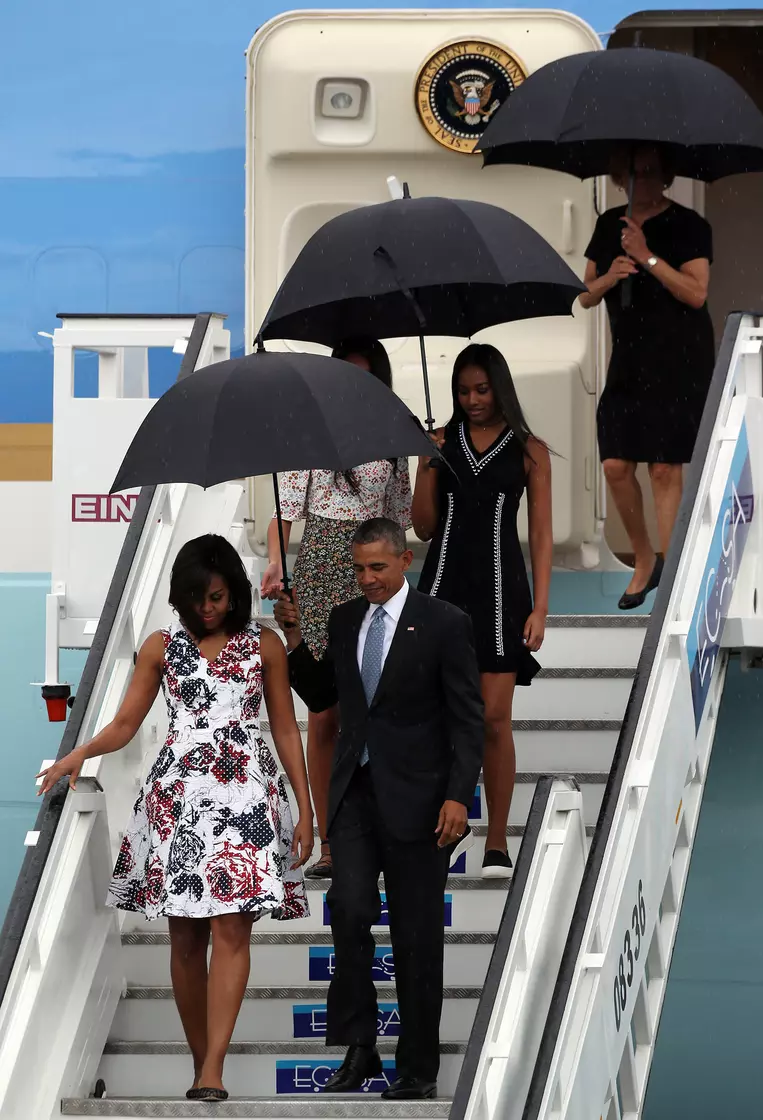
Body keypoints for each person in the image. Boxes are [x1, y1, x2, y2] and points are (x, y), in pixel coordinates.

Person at [36, 535, 312, 1103]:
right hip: (178, 800)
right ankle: (199, 1062)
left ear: (234, 590)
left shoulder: (266, 646)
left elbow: (286, 729)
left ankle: (213, 1068)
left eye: (217, 596)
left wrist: (306, 808)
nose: (207, 608)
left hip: (246, 800)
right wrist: (77, 754)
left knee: (232, 928)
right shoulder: (161, 646)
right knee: (184, 935)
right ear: (180, 597)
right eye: (196, 598)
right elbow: (126, 723)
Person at [274, 517, 484, 1101]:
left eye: (377, 568)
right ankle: (359, 1047)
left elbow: (469, 720)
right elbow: (323, 696)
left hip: (422, 801)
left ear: (405, 561)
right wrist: (294, 641)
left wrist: (458, 796)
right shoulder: (345, 621)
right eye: (359, 568)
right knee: (348, 908)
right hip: (355, 793)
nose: (367, 579)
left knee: (416, 934)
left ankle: (417, 1067)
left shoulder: (445, 623)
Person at [261, 337, 412, 880]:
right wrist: (278, 565)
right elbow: (285, 514)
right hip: (324, 567)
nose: (354, 385)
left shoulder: (394, 437)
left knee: (373, 706)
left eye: (365, 375)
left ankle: (378, 830)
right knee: (324, 712)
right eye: (345, 374)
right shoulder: (310, 433)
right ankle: (328, 839)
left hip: (373, 566)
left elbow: (401, 519)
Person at [411, 343, 552, 879]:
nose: (471, 399)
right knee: (441, 718)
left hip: (501, 592)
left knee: (494, 719)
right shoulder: (439, 444)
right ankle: (441, 830)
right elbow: (422, 528)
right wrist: (425, 463)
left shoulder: (530, 449)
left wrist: (541, 606)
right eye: (463, 391)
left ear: (500, 387)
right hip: (442, 588)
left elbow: (540, 532)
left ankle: (496, 842)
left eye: (481, 389)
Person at [579, 145, 715, 609]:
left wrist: (648, 257)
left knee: (663, 466)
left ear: (666, 175)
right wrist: (612, 276)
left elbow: (696, 293)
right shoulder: (609, 225)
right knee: (615, 464)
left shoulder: (690, 225)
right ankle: (644, 558)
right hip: (630, 360)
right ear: (620, 177)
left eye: (651, 172)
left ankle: (670, 565)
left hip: (679, 359)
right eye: (633, 173)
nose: (642, 181)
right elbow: (585, 295)